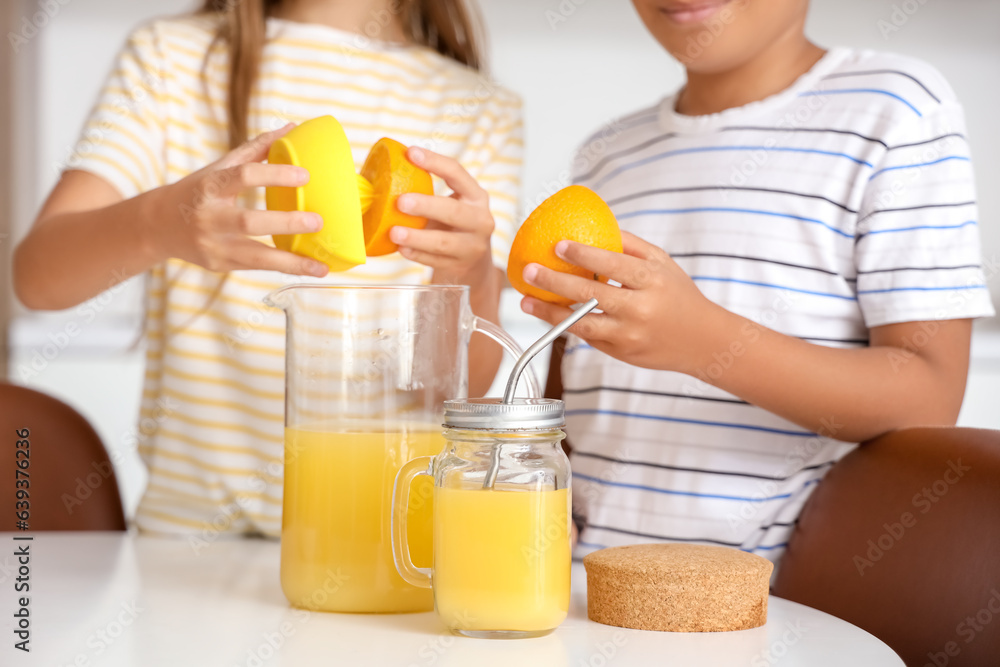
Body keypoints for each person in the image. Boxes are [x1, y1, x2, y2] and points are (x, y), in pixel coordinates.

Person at [12, 0, 522, 536]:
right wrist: (160, 224)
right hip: (188, 549)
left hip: (380, 545)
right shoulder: (171, 57)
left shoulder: (480, 107)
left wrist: (472, 275)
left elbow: (463, 388)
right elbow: (38, 278)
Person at [520, 0, 994, 566]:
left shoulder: (895, 110)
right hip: (585, 596)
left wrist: (706, 343)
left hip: (775, 611)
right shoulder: (606, 157)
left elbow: (929, 395)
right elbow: (566, 398)